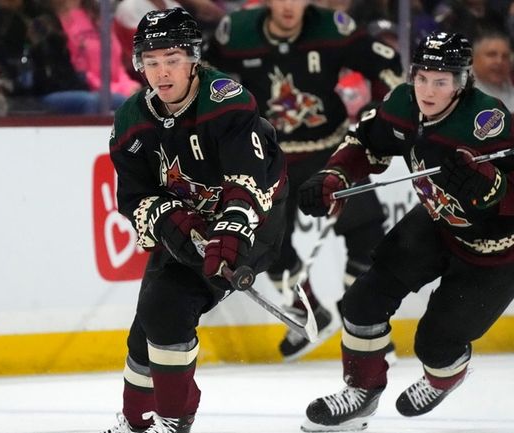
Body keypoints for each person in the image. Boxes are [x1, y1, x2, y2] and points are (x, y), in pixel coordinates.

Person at [296, 31, 514, 431]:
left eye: (441, 81)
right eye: (422, 77)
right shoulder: (403, 103)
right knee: (363, 300)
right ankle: (361, 392)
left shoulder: (487, 122)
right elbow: (364, 141)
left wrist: (494, 188)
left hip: (500, 249)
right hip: (440, 222)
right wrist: (334, 176)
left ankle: (445, 375)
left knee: (436, 344)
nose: (428, 89)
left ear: (461, 83)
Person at [103, 7, 287, 433]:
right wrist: (167, 217)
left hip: (254, 222)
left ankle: (173, 419)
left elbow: (247, 181)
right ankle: (138, 423)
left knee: (165, 309)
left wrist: (230, 230)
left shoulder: (226, 101)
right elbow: (134, 196)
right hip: (187, 222)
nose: (162, 73)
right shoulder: (132, 120)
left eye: (172, 60)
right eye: (151, 62)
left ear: (193, 59)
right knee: (147, 326)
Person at [203, 0, 403, 361]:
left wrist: (382, 114)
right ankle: (308, 308)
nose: (288, 6)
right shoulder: (236, 33)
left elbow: (385, 60)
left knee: (368, 230)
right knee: (263, 242)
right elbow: (202, 76)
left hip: (327, 151)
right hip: (263, 154)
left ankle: (360, 317)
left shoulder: (332, 29)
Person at [471, 31, 514, 113]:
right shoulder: (460, 99)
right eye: (491, 55)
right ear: (473, 59)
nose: (499, 61)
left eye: (505, 56)